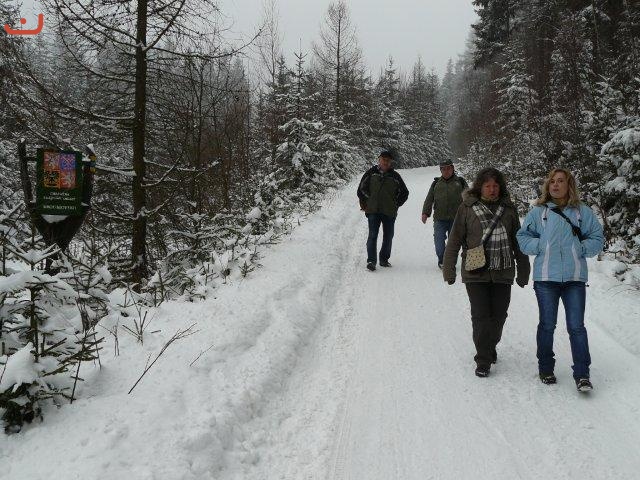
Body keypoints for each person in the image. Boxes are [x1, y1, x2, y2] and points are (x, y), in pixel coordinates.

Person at [516, 168, 604, 392]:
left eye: (560, 181)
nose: (555, 185)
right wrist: (540, 246)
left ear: (569, 185)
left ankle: (582, 375)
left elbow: (597, 237)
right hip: (546, 278)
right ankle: (546, 368)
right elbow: (522, 237)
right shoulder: (539, 212)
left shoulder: (582, 212)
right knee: (547, 325)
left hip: (575, 278)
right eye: (552, 181)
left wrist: (581, 248)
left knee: (577, 327)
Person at [442, 167, 530, 378]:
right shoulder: (467, 208)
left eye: (495, 185)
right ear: (480, 187)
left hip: (503, 270)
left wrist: (524, 270)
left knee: (499, 315)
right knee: (481, 315)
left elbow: (518, 242)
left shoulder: (509, 209)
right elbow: (454, 240)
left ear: (501, 187)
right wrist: (449, 270)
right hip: (475, 271)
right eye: (488, 185)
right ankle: (483, 359)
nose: (492, 189)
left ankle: (489, 345)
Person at [357, 150, 409, 271]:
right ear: (379, 160)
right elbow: (361, 190)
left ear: (391, 162)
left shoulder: (395, 176)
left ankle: (384, 260)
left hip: (389, 212)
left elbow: (404, 193)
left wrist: (395, 204)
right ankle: (371, 261)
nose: (385, 162)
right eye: (383, 159)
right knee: (372, 235)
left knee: (388, 236)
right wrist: (368, 201)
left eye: (388, 160)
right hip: (373, 210)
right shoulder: (371, 173)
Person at [421, 159, 468, 269]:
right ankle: (442, 259)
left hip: (456, 219)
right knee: (439, 241)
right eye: (443, 169)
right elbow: (429, 199)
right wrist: (425, 213)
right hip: (439, 218)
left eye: (448, 168)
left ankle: (450, 262)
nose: (446, 171)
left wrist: (471, 212)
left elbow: (469, 198)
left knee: (453, 243)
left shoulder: (460, 182)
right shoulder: (436, 183)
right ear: (441, 170)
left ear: (452, 169)